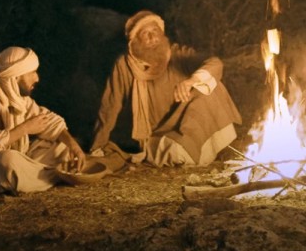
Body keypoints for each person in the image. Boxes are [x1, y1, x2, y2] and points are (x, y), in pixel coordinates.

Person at [90, 10, 242, 166]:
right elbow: (110, 106)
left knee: (210, 86)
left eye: (155, 31)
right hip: (156, 132)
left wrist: (191, 81)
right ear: (134, 41)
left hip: (182, 123)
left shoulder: (176, 54)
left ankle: (214, 149)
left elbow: (214, 63)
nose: (152, 37)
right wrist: (98, 145)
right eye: (145, 33)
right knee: (178, 154)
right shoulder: (124, 65)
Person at [0, 46, 87, 194]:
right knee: (8, 162)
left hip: (18, 156)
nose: (37, 78)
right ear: (16, 76)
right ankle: (51, 176)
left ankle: (34, 178)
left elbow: (48, 120)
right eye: (32, 73)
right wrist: (24, 129)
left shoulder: (16, 96)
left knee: (63, 148)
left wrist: (73, 146)